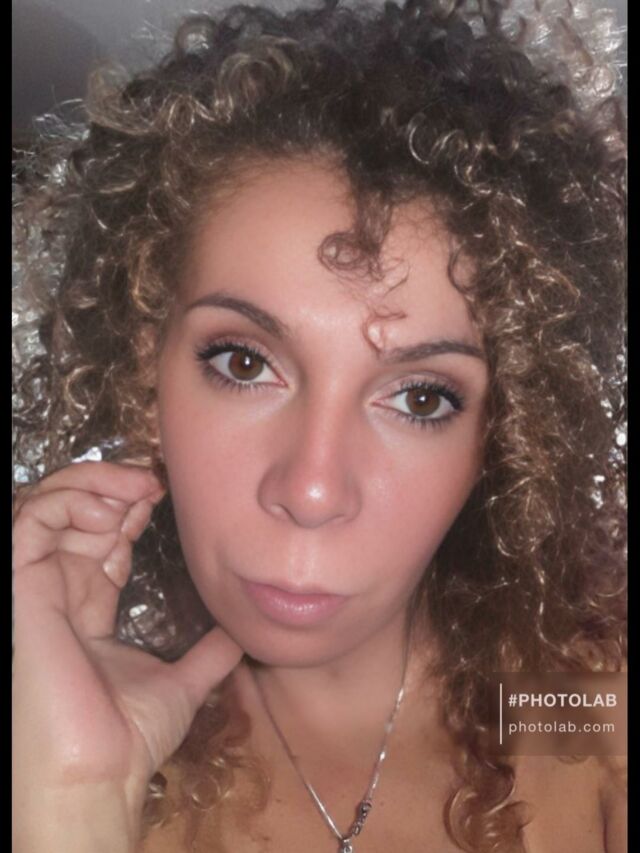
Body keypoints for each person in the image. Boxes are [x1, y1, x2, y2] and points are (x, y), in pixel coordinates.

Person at [12, 0, 627, 851]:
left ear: (505, 436)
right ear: (145, 373)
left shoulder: (583, 713)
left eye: (420, 399)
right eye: (243, 362)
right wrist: (71, 802)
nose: (310, 489)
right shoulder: (88, 756)